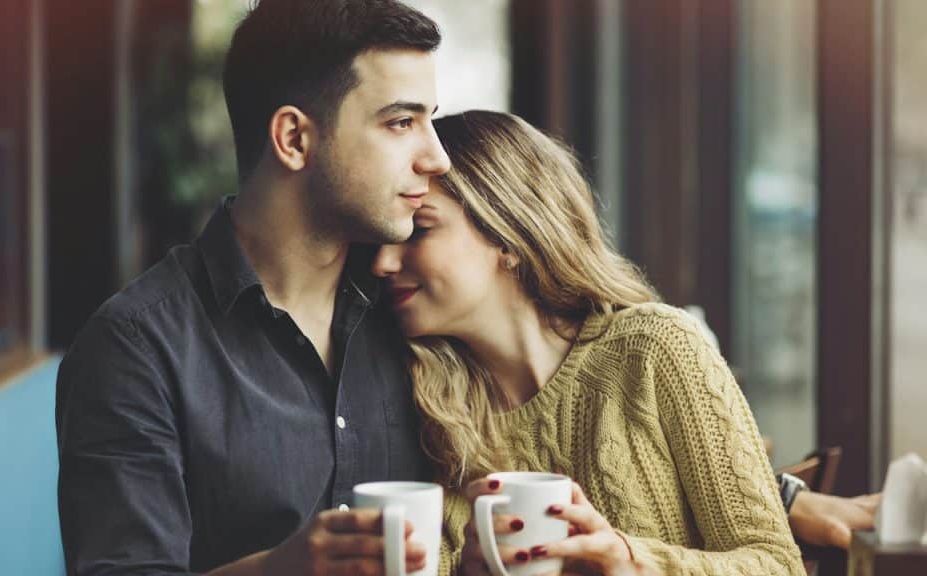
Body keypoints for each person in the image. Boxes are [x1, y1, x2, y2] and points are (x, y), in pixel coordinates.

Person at [54, 1, 451, 574]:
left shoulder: (417, 303)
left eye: (430, 120)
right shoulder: (134, 347)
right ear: (293, 138)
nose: (435, 157)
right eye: (400, 123)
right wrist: (278, 569)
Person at [371, 110, 806, 575]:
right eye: (383, 237)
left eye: (419, 230)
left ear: (509, 235)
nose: (383, 262)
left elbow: (778, 565)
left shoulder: (656, 349)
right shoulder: (421, 404)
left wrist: (632, 562)